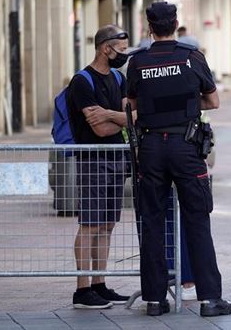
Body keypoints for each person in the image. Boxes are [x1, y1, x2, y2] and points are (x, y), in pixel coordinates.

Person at [126, 1, 231, 317]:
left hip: (151, 149)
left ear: (149, 28)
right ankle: (210, 299)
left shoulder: (137, 62)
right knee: (197, 220)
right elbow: (213, 100)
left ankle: (155, 300)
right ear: (176, 24)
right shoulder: (192, 57)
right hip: (185, 147)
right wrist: (188, 102)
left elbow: (133, 104)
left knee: (153, 222)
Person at [69, 25, 131, 309]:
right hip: (92, 159)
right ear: (106, 47)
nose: (124, 54)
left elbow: (134, 116)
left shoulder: (119, 77)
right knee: (90, 224)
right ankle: (82, 290)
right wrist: (118, 117)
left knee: (107, 225)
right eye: (122, 48)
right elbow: (100, 129)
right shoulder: (82, 81)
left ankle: (99, 283)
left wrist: (109, 114)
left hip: (116, 159)